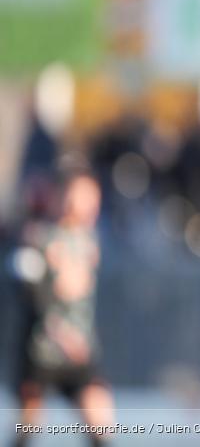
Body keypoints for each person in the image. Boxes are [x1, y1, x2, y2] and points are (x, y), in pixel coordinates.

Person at [10, 169, 114, 447]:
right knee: (27, 428)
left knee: (100, 424)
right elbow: (30, 293)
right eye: (83, 196)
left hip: (79, 351)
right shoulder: (39, 238)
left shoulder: (90, 240)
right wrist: (59, 331)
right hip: (41, 350)